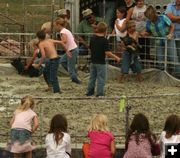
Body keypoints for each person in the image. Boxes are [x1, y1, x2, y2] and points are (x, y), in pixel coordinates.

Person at [86, 22, 120, 97]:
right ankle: (100, 93)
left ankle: (89, 91)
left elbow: (90, 48)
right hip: (101, 62)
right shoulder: (105, 41)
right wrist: (116, 57)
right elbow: (107, 53)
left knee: (92, 77)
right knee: (101, 78)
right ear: (105, 31)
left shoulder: (92, 38)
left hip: (93, 61)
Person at [144, 5, 180, 74]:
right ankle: (162, 74)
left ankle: (177, 74)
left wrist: (170, 34)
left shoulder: (163, 17)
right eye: (148, 17)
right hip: (158, 41)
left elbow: (172, 26)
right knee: (160, 59)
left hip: (168, 39)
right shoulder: (148, 22)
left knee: (173, 57)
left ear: (154, 14)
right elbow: (149, 31)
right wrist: (145, 33)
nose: (150, 18)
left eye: (151, 16)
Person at [54, 18, 81, 84]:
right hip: (73, 49)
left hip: (72, 50)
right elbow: (73, 39)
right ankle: (73, 75)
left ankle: (75, 79)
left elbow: (64, 41)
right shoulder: (66, 30)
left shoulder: (62, 32)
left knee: (70, 66)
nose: (55, 27)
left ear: (58, 25)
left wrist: (55, 42)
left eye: (55, 25)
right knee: (62, 61)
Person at [165, 0, 180, 66]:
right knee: (172, 54)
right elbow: (169, 17)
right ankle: (175, 71)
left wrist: (174, 18)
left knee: (179, 53)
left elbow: (172, 18)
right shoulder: (169, 5)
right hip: (171, 32)